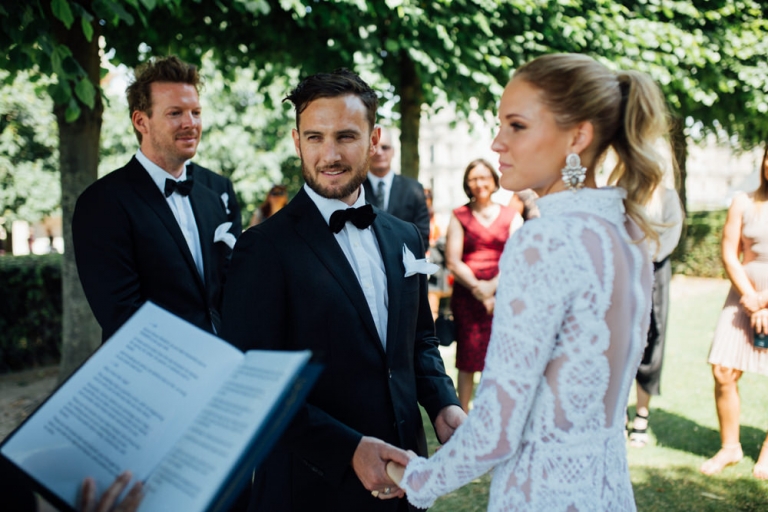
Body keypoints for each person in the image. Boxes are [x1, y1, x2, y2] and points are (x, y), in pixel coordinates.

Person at [385, 53, 669, 511]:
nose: (497, 143)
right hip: (609, 494)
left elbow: (497, 429)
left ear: (578, 135)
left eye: (516, 126)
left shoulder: (545, 241)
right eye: (500, 125)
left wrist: (416, 478)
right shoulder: (630, 233)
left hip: (543, 496)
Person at [220, 68, 465, 511]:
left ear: (374, 140)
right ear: (297, 142)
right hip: (310, 489)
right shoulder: (262, 248)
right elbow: (253, 386)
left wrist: (444, 404)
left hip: (405, 477)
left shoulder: (405, 236)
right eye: (314, 138)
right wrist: (347, 448)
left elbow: (419, 342)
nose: (329, 154)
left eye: (346, 137)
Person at [72, 55, 240, 341]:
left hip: (224, 361)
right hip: (153, 371)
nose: (191, 123)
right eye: (175, 113)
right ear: (141, 121)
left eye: (196, 112)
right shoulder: (102, 203)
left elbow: (231, 289)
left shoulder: (214, 197)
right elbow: (122, 314)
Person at [700, 143, 768, 479]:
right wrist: (752, 298)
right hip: (742, 295)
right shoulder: (743, 201)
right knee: (723, 370)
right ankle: (730, 447)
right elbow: (730, 253)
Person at [446, 158, 523, 412]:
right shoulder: (459, 215)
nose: (480, 183)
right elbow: (453, 261)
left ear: (493, 179)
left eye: (484, 177)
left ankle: (498, 415)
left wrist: (493, 288)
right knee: (467, 360)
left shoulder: (512, 216)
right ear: (467, 184)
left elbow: (519, 258)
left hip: (505, 294)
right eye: (474, 179)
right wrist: (480, 290)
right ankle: (461, 419)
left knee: (503, 358)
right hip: (468, 296)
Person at [629, 184, 684, 447]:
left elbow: (673, 230)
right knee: (621, 339)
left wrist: (650, 256)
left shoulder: (667, 195)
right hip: (626, 266)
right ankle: (617, 415)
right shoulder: (622, 190)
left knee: (653, 336)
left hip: (656, 267)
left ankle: (641, 414)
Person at [363, 127, 431, 249]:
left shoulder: (414, 189)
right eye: (374, 146)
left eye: (385, 147)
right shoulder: (355, 189)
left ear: (393, 151)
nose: (379, 152)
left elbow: (422, 238)